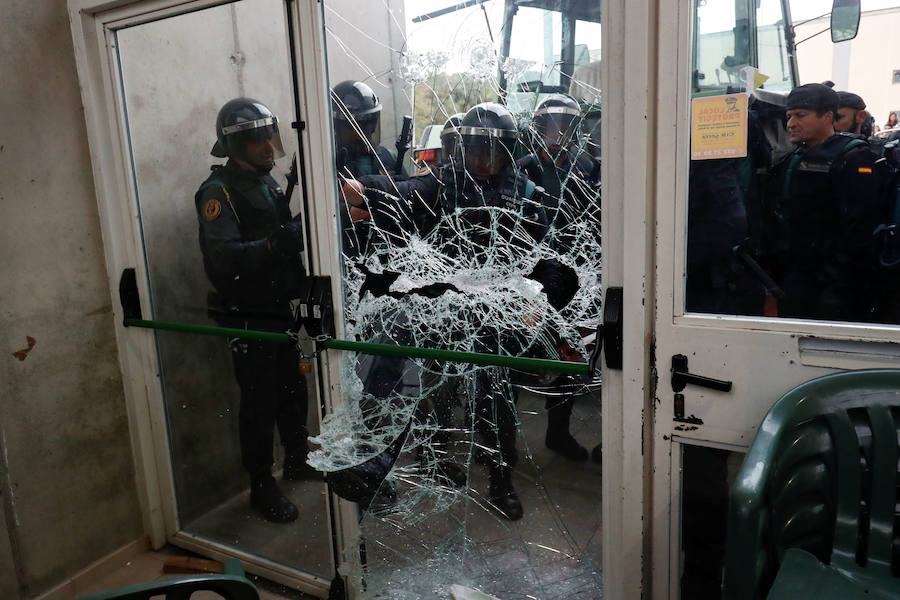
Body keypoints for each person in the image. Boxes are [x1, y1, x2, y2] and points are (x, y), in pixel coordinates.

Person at [341, 103, 553, 521]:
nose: (480, 162)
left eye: (490, 153)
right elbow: (401, 190)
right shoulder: (444, 183)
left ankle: (499, 478)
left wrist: (537, 297)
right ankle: (383, 462)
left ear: (509, 153)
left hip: (497, 315)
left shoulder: (526, 194)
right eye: (473, 151)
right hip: (444, 312)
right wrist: (364, 189)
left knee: (498, 399)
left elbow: (549, 259)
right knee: (419, 384)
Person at [195, 97, 315, 523]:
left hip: (279, 307)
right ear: (236, 146)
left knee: (292, 392)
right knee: (259, 403)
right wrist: (275, 243)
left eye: (270, 135)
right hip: (248, 314)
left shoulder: (267, 182)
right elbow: (225, 257)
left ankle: (298, 459)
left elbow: (278, 235)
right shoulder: (217, 193)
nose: (268, 146)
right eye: (258, 139)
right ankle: (262, 485)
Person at [516, 93, 597, 462]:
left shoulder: (588, 166)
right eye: (549, 125)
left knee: (568, 355)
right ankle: (504, 449)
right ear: (537, 129)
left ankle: (558, 434)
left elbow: (597, 218)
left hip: (575, 275)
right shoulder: (523, 168)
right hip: (531, 276)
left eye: (565, 126)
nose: (557, 133)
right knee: (517, 355)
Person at [773, 83, 882, 321]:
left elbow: (860, 232)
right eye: (789, 116)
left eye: (801, 116)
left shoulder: (854, 157)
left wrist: (838, 287)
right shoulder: (794, 158)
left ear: (828, 117)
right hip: (798, 277)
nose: (791, 123)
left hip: (835, 287)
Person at [331, 80, 407, 258]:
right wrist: (347, 213)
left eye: (369, 123)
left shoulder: (388, 158)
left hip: (390, 258)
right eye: (354, 125)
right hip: (343, 261)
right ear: (335, 125)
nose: (365, 131)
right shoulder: (326, 164)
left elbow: (409, 200)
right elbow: (315, 214)